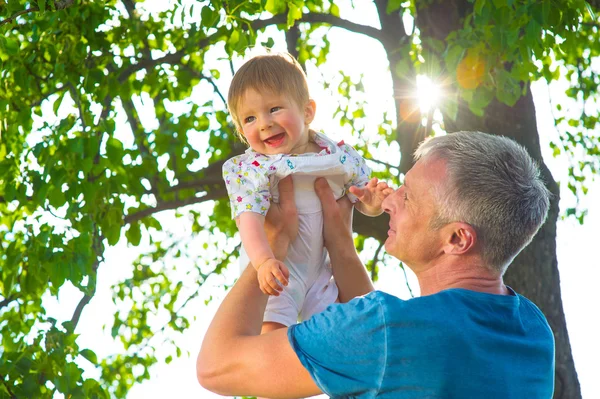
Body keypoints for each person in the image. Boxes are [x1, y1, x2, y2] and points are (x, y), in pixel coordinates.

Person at [199, 131, 555, 398]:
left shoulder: (382, 331)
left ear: (457, 240)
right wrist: (340, 246)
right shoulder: (533, 333)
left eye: (409, 197)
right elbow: (399, 358)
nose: (389, 202)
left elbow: (216, 366)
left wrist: (274, 244)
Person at [222, 52, 392, 333]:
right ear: (241, 131)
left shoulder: (338, 155)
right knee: (273, 337)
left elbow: (358, 194)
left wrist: (373, 204)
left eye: (274, 109)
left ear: (307, 111)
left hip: (321, 271)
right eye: (250, 118)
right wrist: (264, 261)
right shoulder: (252, 167)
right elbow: (248, 219)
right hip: (277, 266)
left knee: (338, 333)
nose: (264, 123)